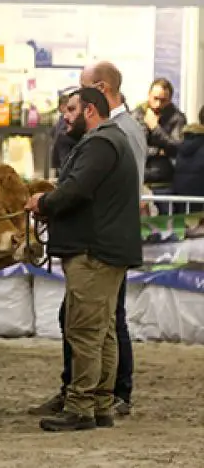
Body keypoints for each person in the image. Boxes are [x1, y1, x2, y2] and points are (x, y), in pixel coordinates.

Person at [25, 87, 142, 432]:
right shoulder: (112, 141)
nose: (65, 116)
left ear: (90, 110)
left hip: (94, 251)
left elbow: (76, 189)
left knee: (84, 330)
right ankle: (101, 405)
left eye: (71, 110)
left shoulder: (99, 143)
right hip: (106, 249)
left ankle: (80, 407)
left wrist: (43, 203)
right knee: (102, 330)